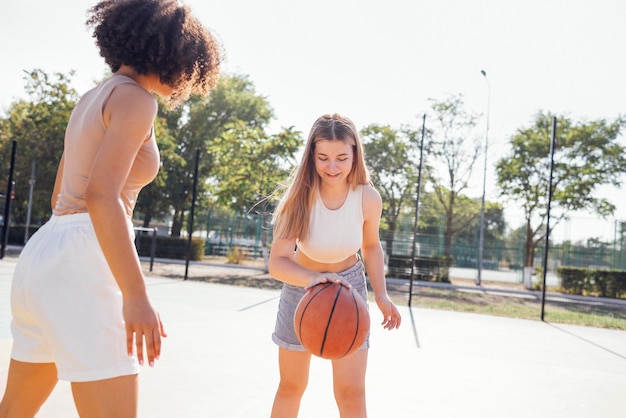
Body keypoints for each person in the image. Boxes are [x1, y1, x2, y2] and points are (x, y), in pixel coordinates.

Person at [0, 1, 221, 417]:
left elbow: (60, 196)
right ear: (172, 54)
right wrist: (136, 296)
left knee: (13, 411)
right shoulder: (138, 100)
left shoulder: (90, 97)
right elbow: (101, 196)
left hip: (43, 252)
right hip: (84, 256)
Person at [268, 113, 402, 417]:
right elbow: (277, 263)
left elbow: (370, 246)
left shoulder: (367, 198)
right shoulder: (299, 199)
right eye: (323, 158)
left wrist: (380, 294)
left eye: (342, 157)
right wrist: (313, 279)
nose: (333, 166)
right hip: (301, 286)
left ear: (355, 154)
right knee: (291, 385)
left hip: (350, 287)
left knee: (351, 391)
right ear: (311, 156)